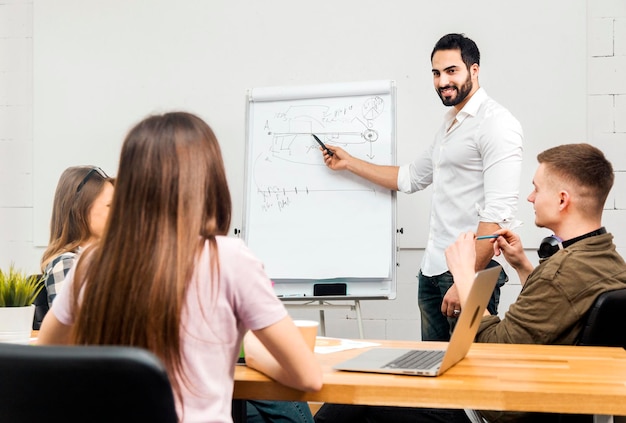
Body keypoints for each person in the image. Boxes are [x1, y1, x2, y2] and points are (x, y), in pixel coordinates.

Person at [37, 111, 322, 422]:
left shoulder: (90, 262)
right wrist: (254, 358)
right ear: (207, 180)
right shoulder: (230, 258)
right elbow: (308, 377)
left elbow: (47, 353)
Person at [315, 143, 626, 423]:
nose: (530, 197)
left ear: (562, 200)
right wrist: (521, 265)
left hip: (492, 409)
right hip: (534, 395)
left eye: (536, 189)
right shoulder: (606, 259)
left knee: (353, 396)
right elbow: (558, 315)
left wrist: (465, 275)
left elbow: (495, 350)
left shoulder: (562, 273)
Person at [320, 33, 523, 342]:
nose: (442, 81)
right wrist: (349, 162)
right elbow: (411, 177)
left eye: (452, 71)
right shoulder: (449, 124)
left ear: (474, 70)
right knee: (434, 376)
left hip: (467, 274)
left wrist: (463, 281)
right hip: (431, 272)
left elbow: (497, 214)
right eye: (436, 73)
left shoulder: (495, 123)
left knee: (470, 380)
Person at [40, 166, 114, 307]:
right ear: (80, 211)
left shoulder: (110, 262)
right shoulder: (66, 265)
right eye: (110, 206)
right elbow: (77, 326)